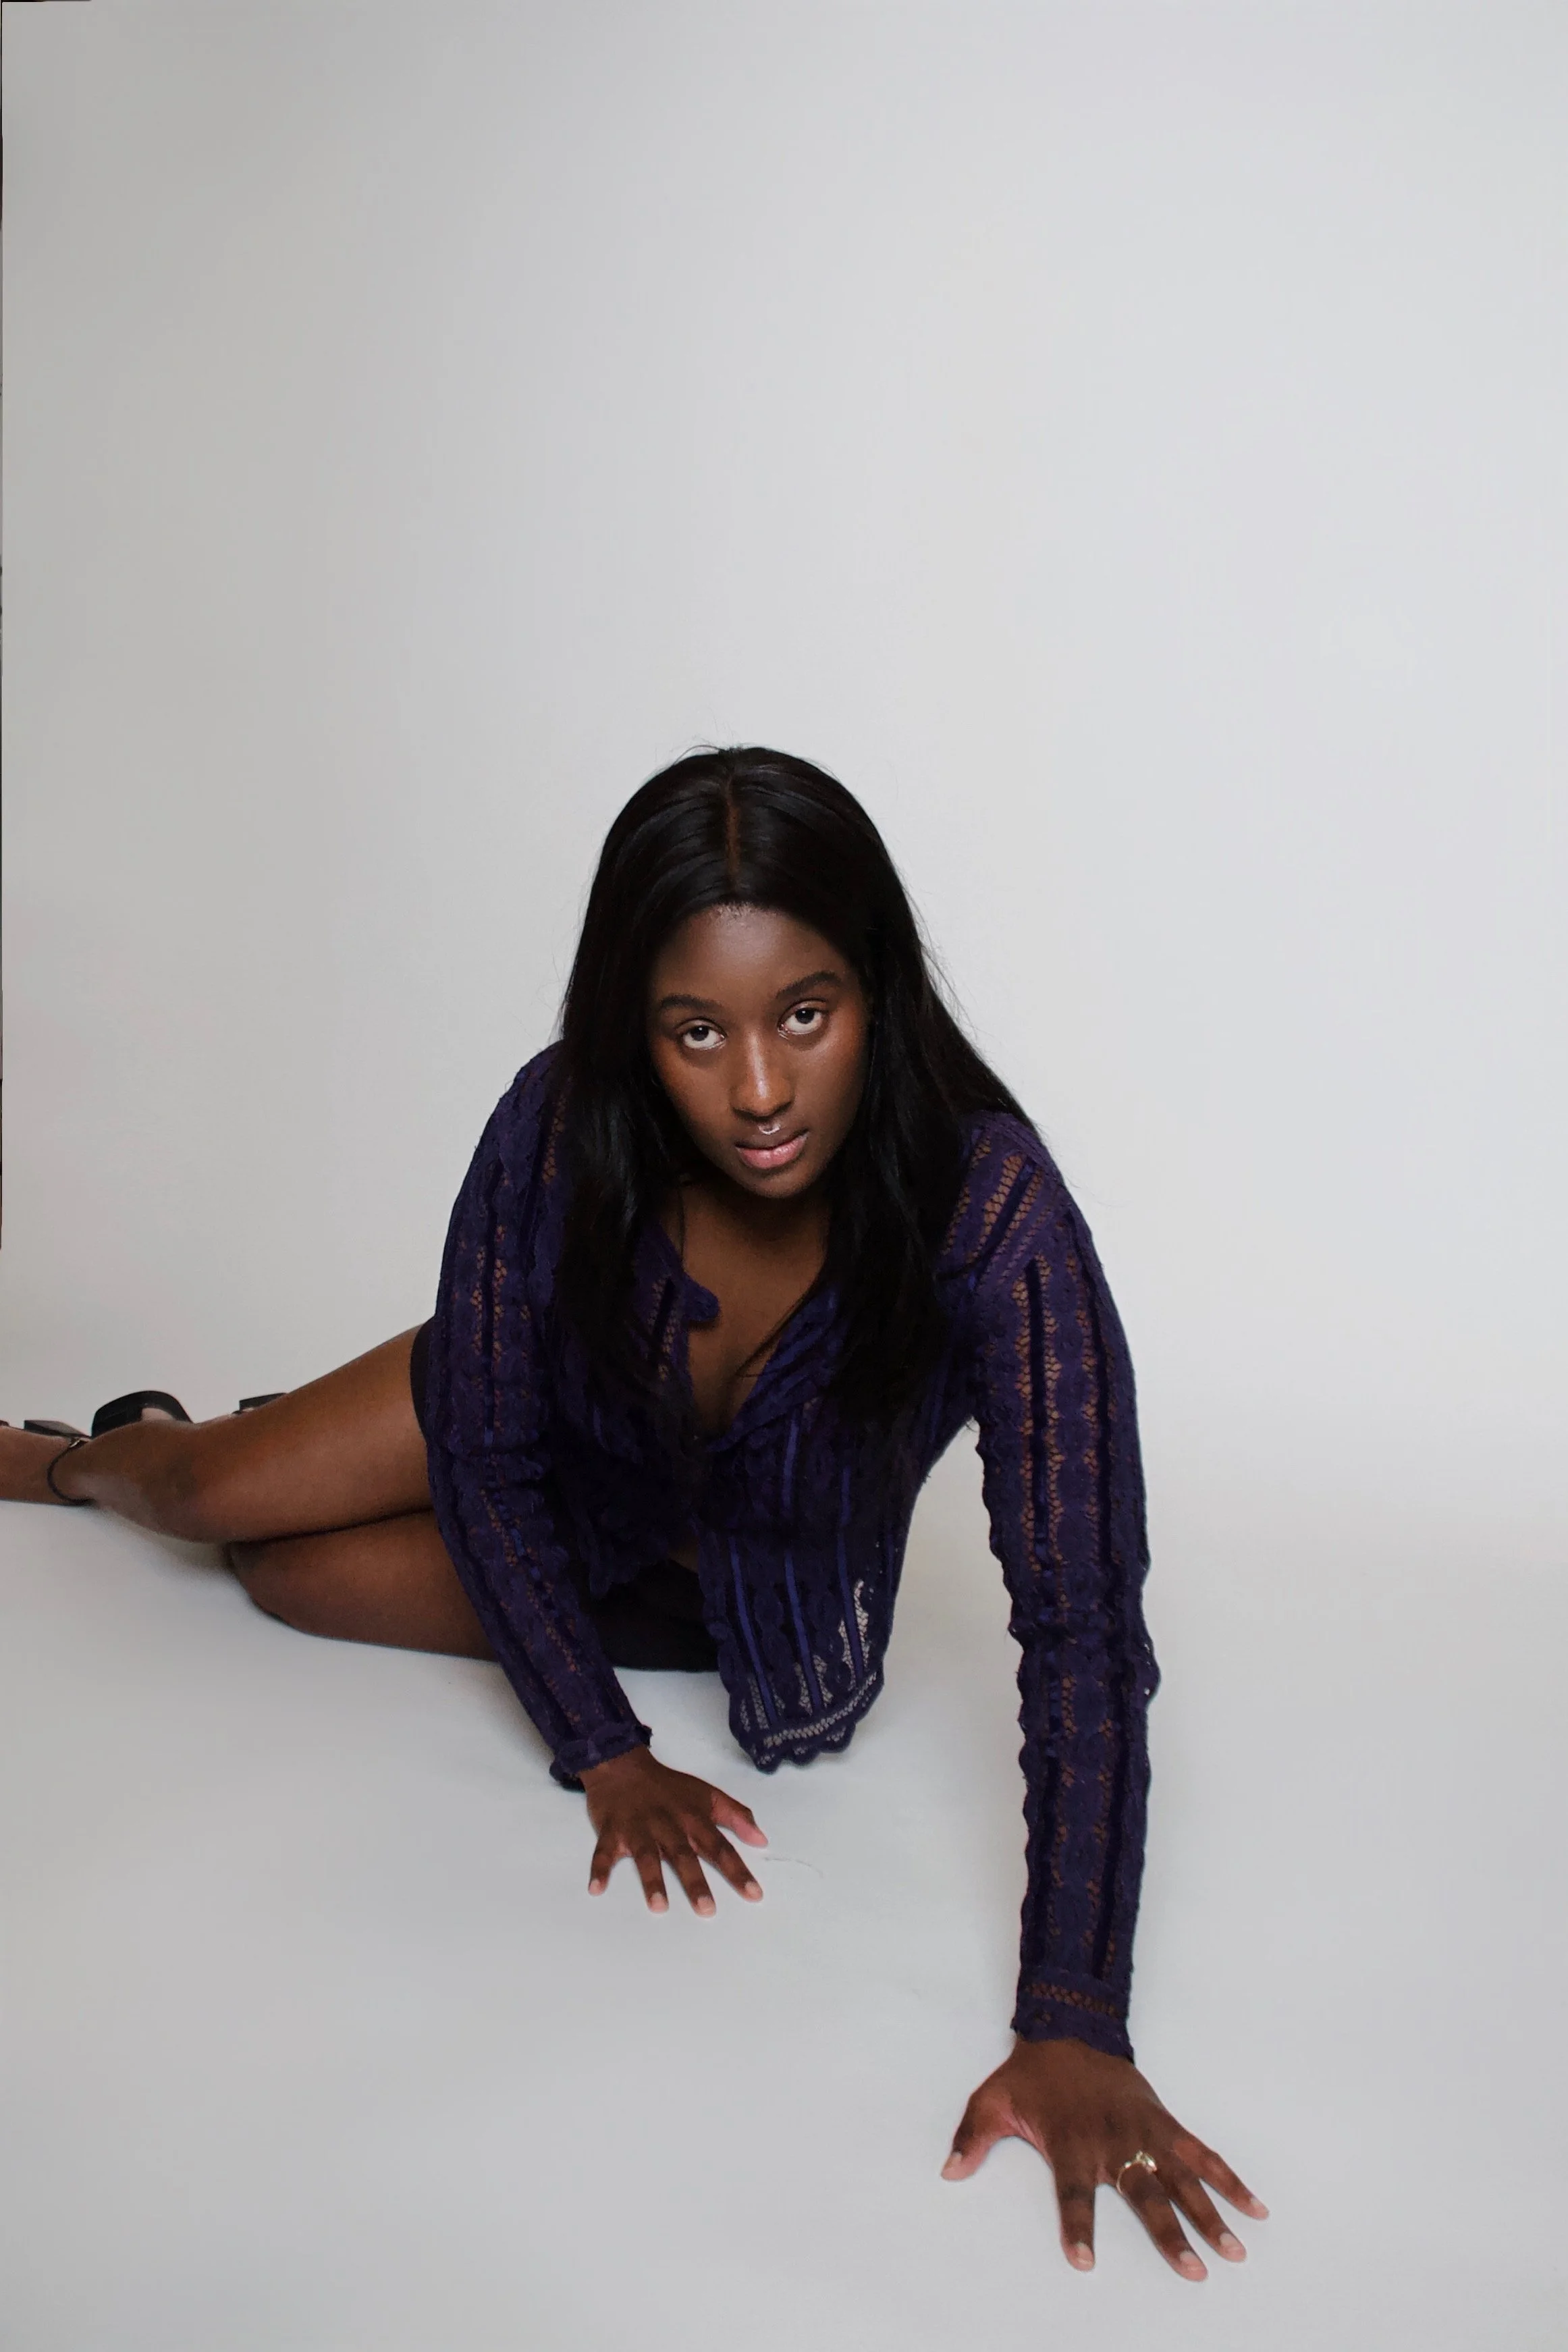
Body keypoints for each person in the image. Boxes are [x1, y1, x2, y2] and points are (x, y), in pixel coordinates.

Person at [2, 747, 1266, 2279]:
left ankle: (275, 1442)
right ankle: (82, 1455)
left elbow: (1080, 1626)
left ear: (877, 990)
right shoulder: (557, 1127)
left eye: (806, 1014)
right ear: (636, 1025)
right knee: (212, 1494)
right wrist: (603, 1750)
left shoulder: (992, 1212)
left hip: (731, 1595)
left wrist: (1073, 2015)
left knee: (284, 1579)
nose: (758, 1090)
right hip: (533, 1423)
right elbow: (488, 1456)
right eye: (697, 1031)